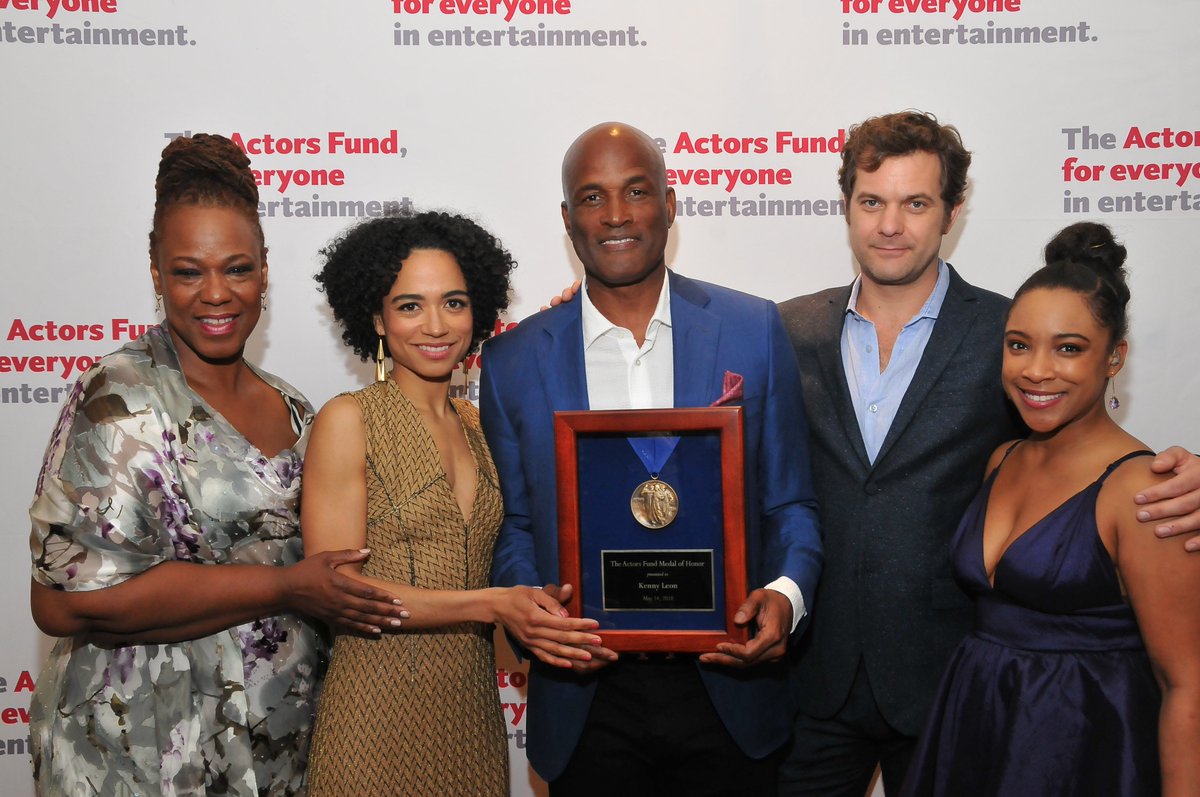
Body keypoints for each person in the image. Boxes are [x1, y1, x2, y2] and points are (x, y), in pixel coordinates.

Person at [778, 110, 1200, 796]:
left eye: (916, 202)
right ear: (847, 205)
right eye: (872, 201)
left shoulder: (1013, 331)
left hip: (956, 689)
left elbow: (1087, 450)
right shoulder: (786, 328)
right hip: (813, 682)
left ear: (952, 211)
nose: (891, 224)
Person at [27, 133, 408, 797]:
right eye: (187, 270)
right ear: (155, 272)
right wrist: (284, 586)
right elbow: (63, 603)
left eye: (236, 268)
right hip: (140, 759)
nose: (216, 294)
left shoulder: (296, 408)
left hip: (275, 755)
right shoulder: (118, 396)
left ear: (265, 268)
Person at [479, 122, 823, 796]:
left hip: (729, 686)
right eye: (591, 197)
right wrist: (531, 605)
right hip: (586, 697)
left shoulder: (753, 329)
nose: (615, 215)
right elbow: (515, 522)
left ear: (671, 203)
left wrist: (786, 598)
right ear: (566, 218)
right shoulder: (513, 360)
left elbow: (791, 504)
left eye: (636, 191)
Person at [301, 211, 600, 796]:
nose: (435, 325)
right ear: (376, 318)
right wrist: (493, 605)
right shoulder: (349, 419)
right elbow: (339, 593)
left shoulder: (478, 423)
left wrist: (572, 327)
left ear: (478, 310)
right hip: (372, 717)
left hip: (471, 717)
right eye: (410, 305)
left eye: (454, 303)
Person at [901, 222, 1200, 796]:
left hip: (1081, 751)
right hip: (973, 730)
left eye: (1069, 348)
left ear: (1115, 358)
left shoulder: (1144, 490)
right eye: (1019, 345)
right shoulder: (1003, 458)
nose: (1037, 370)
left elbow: (1186, 684)